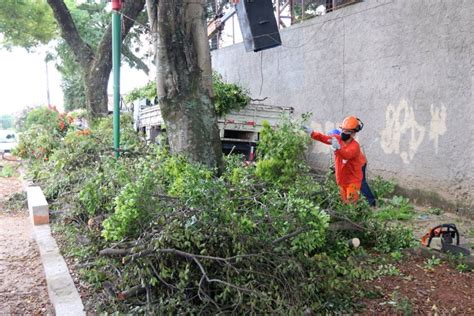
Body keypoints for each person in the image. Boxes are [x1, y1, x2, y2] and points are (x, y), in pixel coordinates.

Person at [303, 116, 367, 204]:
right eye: (343, 130)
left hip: (353, 181)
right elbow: (324, 138)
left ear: (353, 133)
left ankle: (364, 207)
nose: (344, 133)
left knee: (351, 204)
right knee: (344, 203)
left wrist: (338, 149)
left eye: (347, 131)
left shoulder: (354, 146)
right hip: (341, 179)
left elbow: (346, 155)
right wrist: (312, 133)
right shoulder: (338, 139)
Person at [327, 128, 376, 207]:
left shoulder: (344, 144)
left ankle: (371, 202)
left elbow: (345, 158)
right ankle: (353, 201)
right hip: (352, 165)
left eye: (332, 137)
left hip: (359, 164)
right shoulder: (337, 144)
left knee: (361, 183)